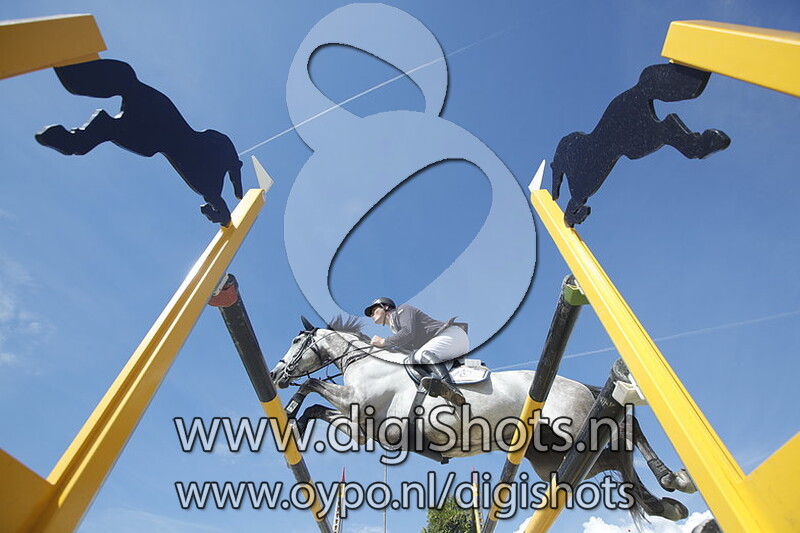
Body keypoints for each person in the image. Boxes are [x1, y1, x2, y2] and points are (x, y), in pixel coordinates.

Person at [364, 297, 468, 405]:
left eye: (374, 310)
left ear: (386, 306)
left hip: (451, 335)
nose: (372, 315)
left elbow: (408, 332)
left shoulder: (402, 310)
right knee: (413, 361)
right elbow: (404, 350)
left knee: (420, 355)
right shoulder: (395, 327)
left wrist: (384, 341)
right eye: (370, 314)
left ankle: (451, 388)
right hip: (449, 346)